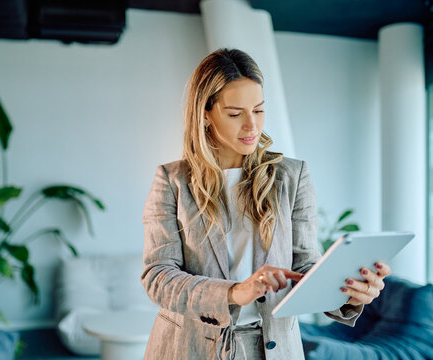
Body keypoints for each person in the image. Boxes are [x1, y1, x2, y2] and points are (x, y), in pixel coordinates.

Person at [141, 48, 391, 360]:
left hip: (275, 350)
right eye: (235, 114)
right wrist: (234, 293)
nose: (252, 127)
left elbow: (304, 267)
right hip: (188, 348)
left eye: (259, 110)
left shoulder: (293, 176)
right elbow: (158, 276)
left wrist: (349, 294)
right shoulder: (171, 180)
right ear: (205, 112)